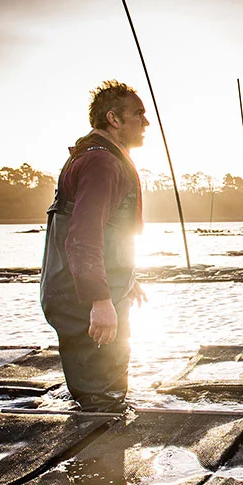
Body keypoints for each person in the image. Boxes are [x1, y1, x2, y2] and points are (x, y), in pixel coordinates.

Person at [40, 80, 148, 411]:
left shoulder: (95, 157)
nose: (145, 122)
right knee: (101, 402)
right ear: (113, 119)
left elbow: (110, 231)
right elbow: (83, 236)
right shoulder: (102, 163)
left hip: (88, 290)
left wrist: (128, 279)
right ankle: (98, 441)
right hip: (84, 299)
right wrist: (100, 300)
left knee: (105, 395)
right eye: (138, 114)